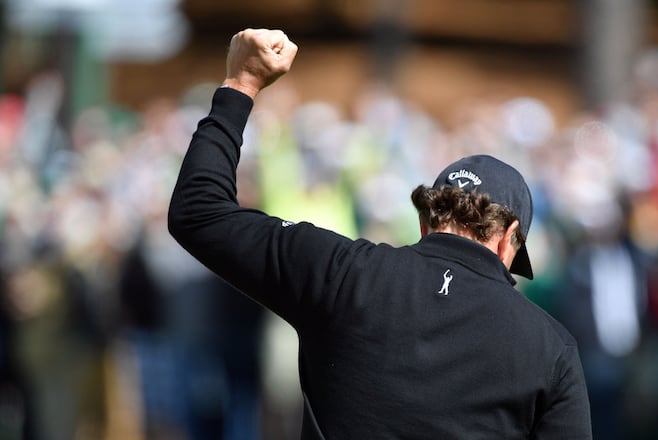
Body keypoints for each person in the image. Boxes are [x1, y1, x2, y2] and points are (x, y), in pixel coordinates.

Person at [168, 28, 592, 439]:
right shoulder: (550, 348)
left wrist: (240, 84)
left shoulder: (343, 272)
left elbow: (199, 212)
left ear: (426, 223)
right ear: (508, 237)